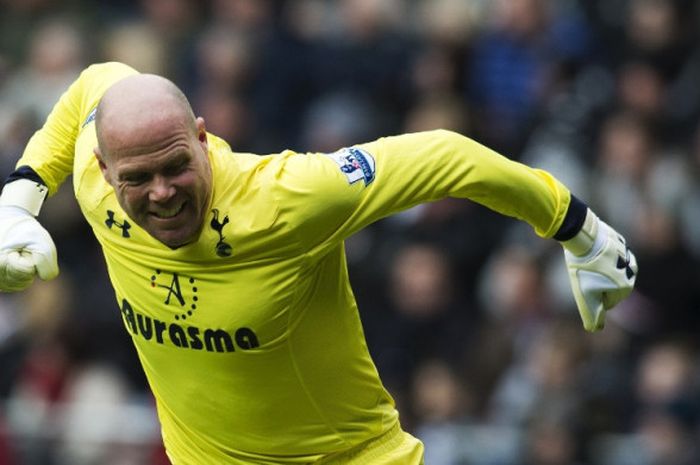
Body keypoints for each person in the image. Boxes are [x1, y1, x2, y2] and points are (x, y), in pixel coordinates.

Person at [0, 62, 637, 464]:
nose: (162, 193)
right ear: (105, 169)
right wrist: (19, 198)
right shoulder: (90, 179)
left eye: (176, 166)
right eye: (138, 178)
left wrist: (577, 228)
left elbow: (446, 156)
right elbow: (91, 82)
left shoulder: (288, 197)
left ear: (201, 135)